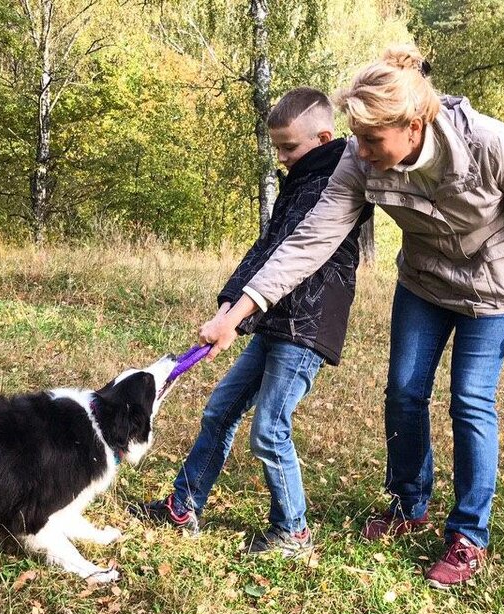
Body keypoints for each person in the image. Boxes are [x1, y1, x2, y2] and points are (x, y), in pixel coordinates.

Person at [197, 44, 504, 588]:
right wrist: (238, 312)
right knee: (402, 391)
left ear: (415, 125)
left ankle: (468, 536)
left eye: (374, 139)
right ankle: (409, 504)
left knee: (469, 399)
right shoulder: (359, 159)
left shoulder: (491, 145)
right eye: (358, 136)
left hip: (497, 289)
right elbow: (310, 241)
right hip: (424, 283)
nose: (363, 150)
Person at [132, 87, 374, 558]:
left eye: (289, 147)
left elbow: (294, 255)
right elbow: (266, 249)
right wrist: (228, 308)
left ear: (323, 137)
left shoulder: (334, 182)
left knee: (269, 429)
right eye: (278, 148)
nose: (281, 158)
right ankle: (184, 507)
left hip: (306, 325)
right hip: (276, 319)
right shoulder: (300, 180)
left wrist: (237, 316)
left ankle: (294, 532)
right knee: (220, 411)